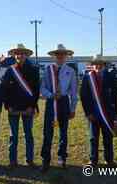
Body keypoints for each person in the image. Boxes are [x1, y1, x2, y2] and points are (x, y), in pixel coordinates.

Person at [40, 44, 78, 172]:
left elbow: (73, 92)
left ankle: (62, 158)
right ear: (54, 56)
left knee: (63, 133)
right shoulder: (48, 69)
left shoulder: (71, 71)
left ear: (66, 56)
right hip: (51, 103)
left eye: (62, 54)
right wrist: (51, 95)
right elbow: (42, 88)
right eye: (58, 54)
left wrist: (73, 108)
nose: (60, 56)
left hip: (63, 103)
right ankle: (46, 160)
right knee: (47, 132)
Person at [1, 44, 40, 168]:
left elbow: (36, 90)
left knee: (28, 135)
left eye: (22, 53)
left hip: (28, 108)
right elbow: (5, 90)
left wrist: (32, 106)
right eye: (17, 53)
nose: (20, 55)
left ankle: (29, 160)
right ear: (14, 55)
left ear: (26, 55)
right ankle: (13, 161)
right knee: (13, 135)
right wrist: (8, 106)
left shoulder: (34, 70)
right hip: (13, 108)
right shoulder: (9, 70)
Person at [80, 55, 117, 167]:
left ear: (104, 65)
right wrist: (88, 113)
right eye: (96, 63)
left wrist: (115, 113)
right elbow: (83, 96)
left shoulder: (110, 76)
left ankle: (109, 160)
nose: (98, 65)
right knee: (93, 138)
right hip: (93, 113)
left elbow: (116, 95)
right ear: (93, 65)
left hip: (107, 114)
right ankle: (93, 160)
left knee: (108, 137)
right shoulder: (87, 77)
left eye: (100, 63)